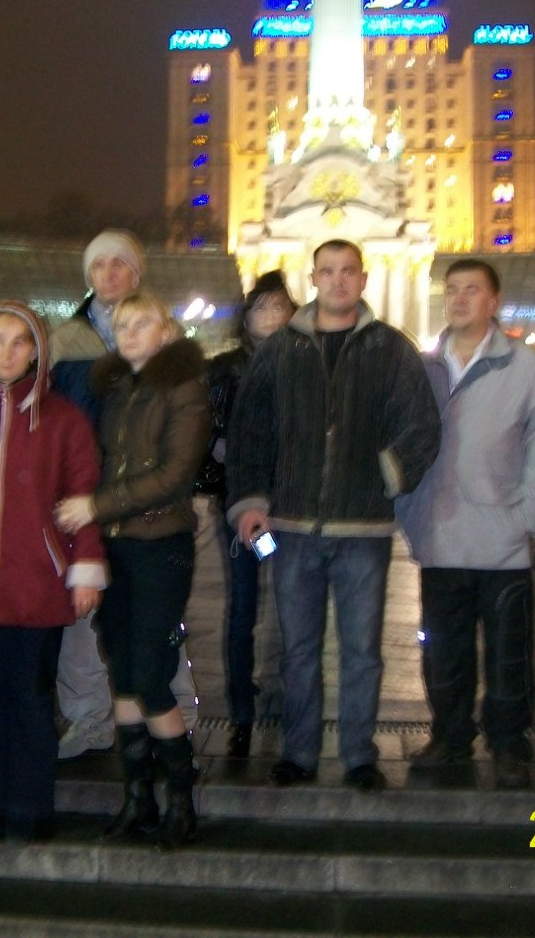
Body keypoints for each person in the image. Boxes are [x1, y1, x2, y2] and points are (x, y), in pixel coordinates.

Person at [226, 239, 441, 792]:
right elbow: (250, 428)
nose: (338, 280)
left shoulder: (391, 348)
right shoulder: (281, 350)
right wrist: (251, 502)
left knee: (362, 653)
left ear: (362, 280)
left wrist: (384, 474)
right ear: (314, 278)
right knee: (297, 652)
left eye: (348, 271)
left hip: (363, 529)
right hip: (292, 527)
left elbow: (421, 424)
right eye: (328, 271)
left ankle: (358, 755)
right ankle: (298, 752)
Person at [0, 302, 106, 843]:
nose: (8, 352)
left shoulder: (63, 420)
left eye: (20, 341)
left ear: (36, 351)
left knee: (32, 700)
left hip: (37, 584)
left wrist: (84, 566)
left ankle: (29, 807)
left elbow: (81, 495)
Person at [55, 292, 210, 849]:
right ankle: (137, 796)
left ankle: (181, 800)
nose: (130, 333)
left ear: (165, 331)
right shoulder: (117, 387)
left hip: (160, 545)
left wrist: (96, 506)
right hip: (118, 547)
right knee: (122, 671)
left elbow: (175, 474)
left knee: (149, 675)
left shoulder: (185, 388)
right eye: (122, 325)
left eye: (142, 323)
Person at [397, 258, 535, 789]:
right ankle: (450, 736)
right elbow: (404, 446)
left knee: (510, 654)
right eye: (452, 290)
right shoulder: (427, 368)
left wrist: (528, 521)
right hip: (441, 535)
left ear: (493, 302)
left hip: (502, 540)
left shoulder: (525, 368)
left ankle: (508, 745)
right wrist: (411, 515)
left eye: (472, 290)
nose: (460, 299)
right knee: (444, 650)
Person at [48, 229, 198, 758]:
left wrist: (98, 501)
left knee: (152, 640)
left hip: (139, 518)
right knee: (92, 629)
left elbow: (174, 466)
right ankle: (94, 722)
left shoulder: (172, 370)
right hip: (87, 506)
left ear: (138, 274)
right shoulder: (66, 341)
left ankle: (177, 722)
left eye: (120, 264)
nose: (109, 274)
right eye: (99, 266)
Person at [198, 270, 297, 757]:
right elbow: (209, 434)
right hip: (242, 508)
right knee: (244, 606)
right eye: (261, 307)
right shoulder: (223, 370)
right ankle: (241, 707)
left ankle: (283, 697)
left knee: (291, 605)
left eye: (279, 307)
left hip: (294, 508)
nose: (270, 316)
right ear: (246, 316)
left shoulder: (305, 363)